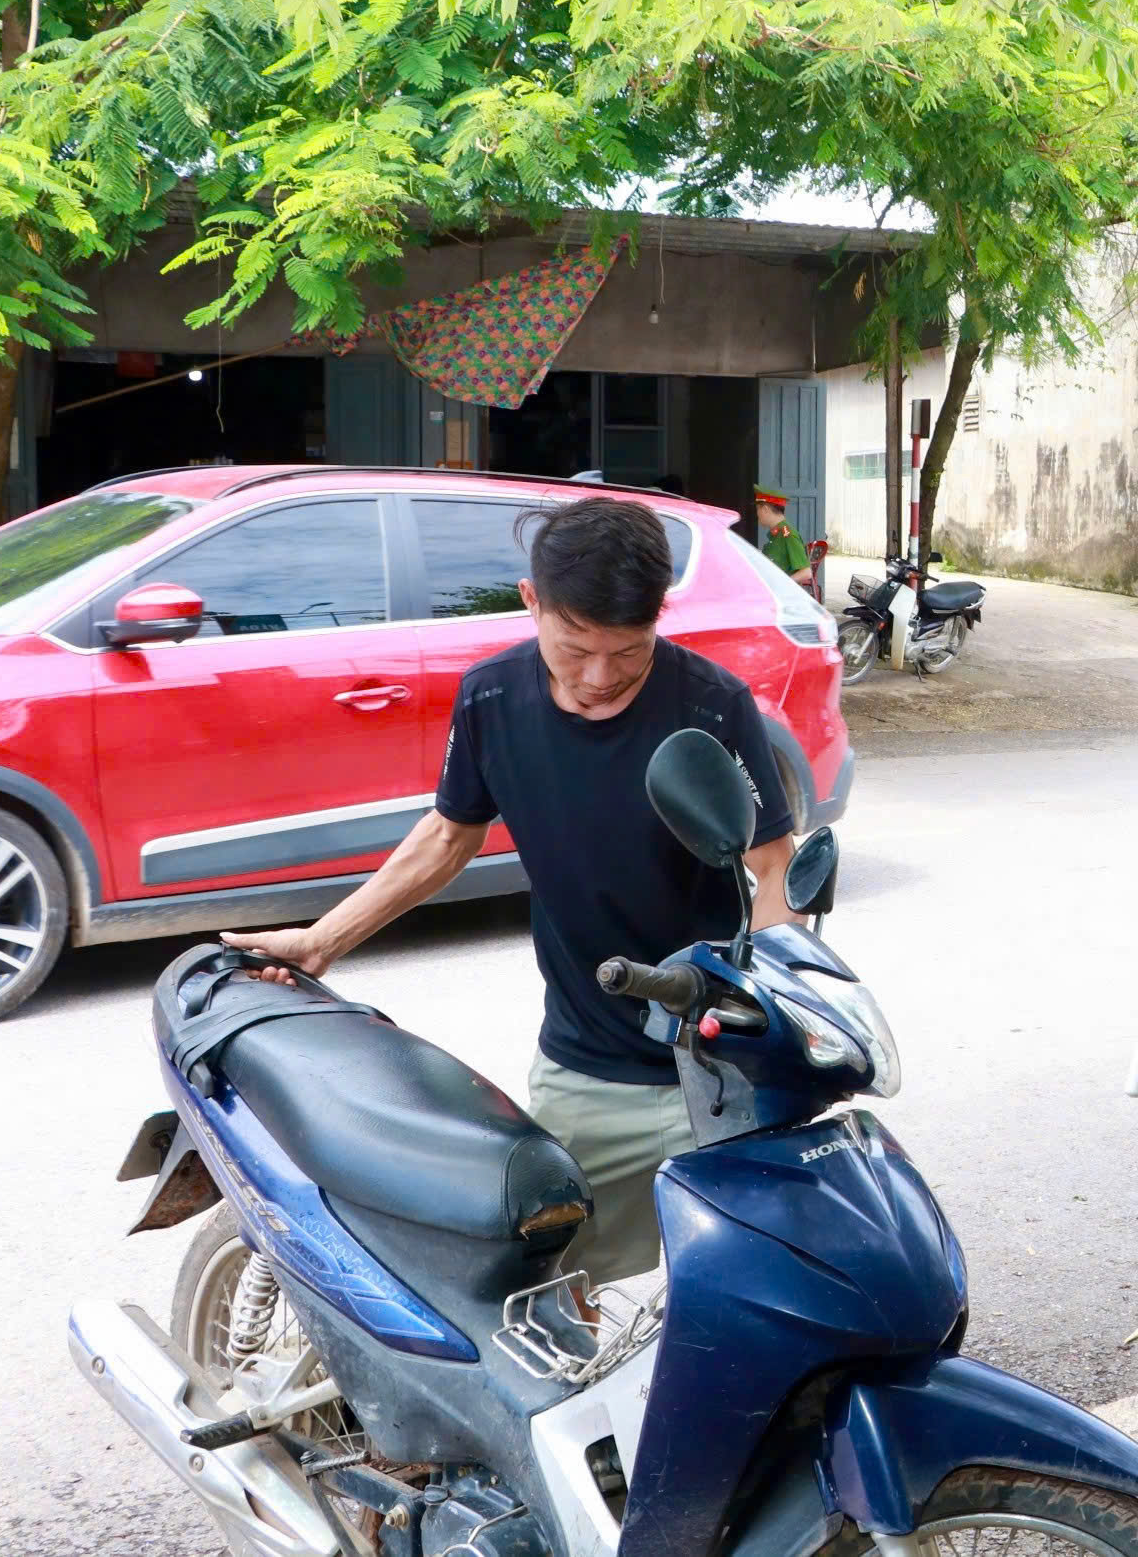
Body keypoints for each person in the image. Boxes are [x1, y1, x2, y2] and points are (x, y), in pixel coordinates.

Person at [226, 496, 800, 1288]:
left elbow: (776, 870)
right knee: (553, 1290)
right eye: (575, 647)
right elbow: (448, 836)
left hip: (720, 1065)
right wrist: (321, 940)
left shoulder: (710, 706)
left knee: (752, 1285)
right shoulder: (492, 700)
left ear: (660, 617)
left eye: (628, 651)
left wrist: (757, 1016)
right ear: (532, 602)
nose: (599, 676)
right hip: (588, 1063)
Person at [755, 487, 814, 590]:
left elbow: (806, 572)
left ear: (765, 509)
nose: (757, 514)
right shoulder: (776, 534)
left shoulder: (788, 535)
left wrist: (782, 584)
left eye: (757, 509)